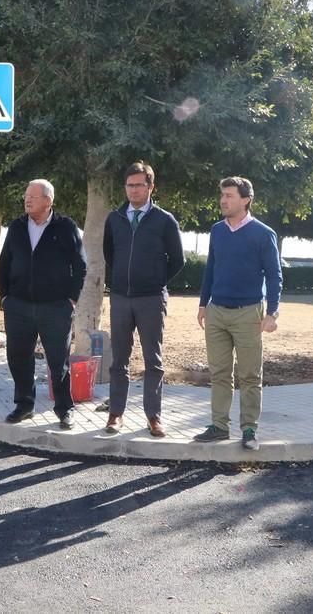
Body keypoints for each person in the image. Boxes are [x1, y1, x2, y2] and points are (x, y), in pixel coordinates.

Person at [194, 177, 282, 450]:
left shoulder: (263, 233)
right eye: (222, 195)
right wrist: (202, 303)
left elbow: (275, 275)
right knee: (219, 372)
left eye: (229, 196)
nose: (223, 200)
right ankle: (219, 426)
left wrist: (273, 312)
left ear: (245, 200)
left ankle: (249, 430)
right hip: (216, 311)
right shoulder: (217, 231)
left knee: (249, 375)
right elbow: (211, 269)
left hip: (249, 314)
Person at [102, 161, 185, 436]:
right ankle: (115, 414)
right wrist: (120, 283)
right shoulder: (115, 219)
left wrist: (155, 281)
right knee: (119, 360)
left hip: (151, 299)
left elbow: (177, 260)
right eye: (130, 185)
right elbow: (109, 255)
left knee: (153, 360)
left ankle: (154, 416)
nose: (134, 190)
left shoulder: (164, 220)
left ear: (151, 187)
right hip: (121, 299)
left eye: (139, 185)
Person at [0, 179, 87, 429]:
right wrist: (6, 297)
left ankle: (64, 409)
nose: (27, 200)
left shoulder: (66, 226)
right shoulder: (16, 227)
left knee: (59, 361)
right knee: (18, 357)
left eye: (33, 196)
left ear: (48, 200)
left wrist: (71, 299)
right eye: (26, 196)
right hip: (19, 306)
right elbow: (4, 262)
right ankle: (24, 405)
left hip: (56, 307)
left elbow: (80, 265)